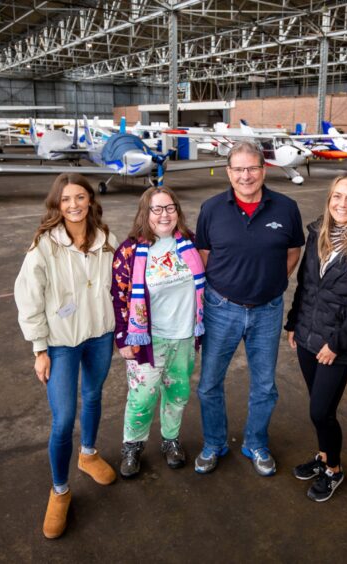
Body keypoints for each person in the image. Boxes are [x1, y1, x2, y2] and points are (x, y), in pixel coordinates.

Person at [14, 172, 118, 539]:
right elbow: (28, 297)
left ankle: (88, 454)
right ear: (57, 205)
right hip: (61, 342)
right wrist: (39, 348)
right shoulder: (44, 244)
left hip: (100, 337)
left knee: (92, 396)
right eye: (66, 200)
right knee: (63, 419)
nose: (73, 205)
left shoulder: (107, 239)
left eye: (80, 197)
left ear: (90, 200)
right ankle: (59, 491)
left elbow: (119, 287)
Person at [193, 141, 305, 476]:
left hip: (267, 311)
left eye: (252, 168)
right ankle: (214, 443)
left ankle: (256, 442)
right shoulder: (211, 209)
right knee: (209, 383)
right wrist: (229, 285)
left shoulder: (286, 208)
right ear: (228, 172)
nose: (246, 176)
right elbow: (204, 254)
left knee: (265, 386)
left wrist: (269, 282)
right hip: (220, 308)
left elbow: (293, 250)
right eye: (238, 169)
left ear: (264, 169)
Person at [285, 173, 347, 502]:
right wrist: (293, 325)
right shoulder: (317, 234)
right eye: (337, 197)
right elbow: (306, 286)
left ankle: (334, 470)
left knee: (320, 412)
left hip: (337, 347)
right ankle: (323, 456)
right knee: (320, 408)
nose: (342, 204)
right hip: (307, 337)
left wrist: (336, 343)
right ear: (329, 200)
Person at [111, 186, 205, 479]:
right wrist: (123, 337)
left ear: (177, 211)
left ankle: (170, 440)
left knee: (177, 394)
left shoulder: (190, 243)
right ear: (145, 213)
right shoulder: (129, 251)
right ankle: (132, 445)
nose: (164, 215)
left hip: (184, 335)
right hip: (147, 339)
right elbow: (119, 296)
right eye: (157, 209)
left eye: (170, 208)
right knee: (142, 397)